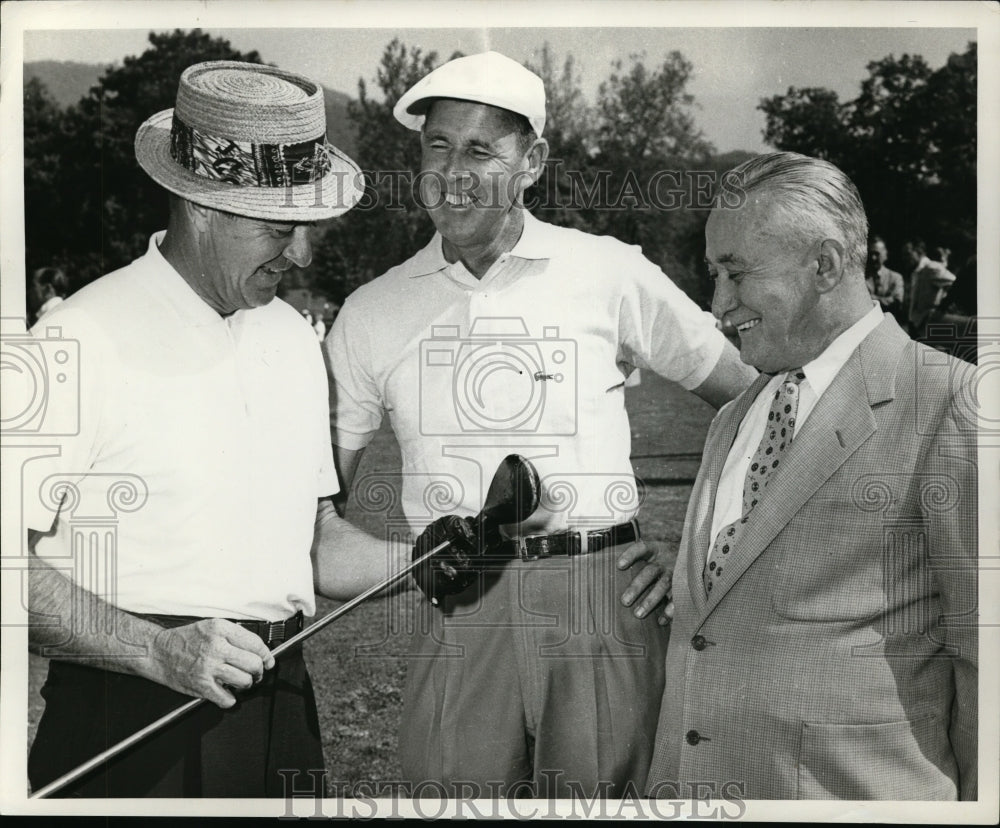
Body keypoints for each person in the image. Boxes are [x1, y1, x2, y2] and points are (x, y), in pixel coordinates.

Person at [324, 51, 756, 798]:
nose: (451, 171)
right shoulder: (370, 312)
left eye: (480, 150)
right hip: (457, 601)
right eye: (436, 145)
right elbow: (320, 505)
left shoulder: (608, 270)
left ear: (533, 161)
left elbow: (754, 401)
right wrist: (408, 557)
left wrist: (703, 552)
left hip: (603, 596)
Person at [24, 61, 400, 798]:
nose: (302, 257)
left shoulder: (292, 337)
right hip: (127, 723)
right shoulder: (75, 340)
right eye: (277, 228)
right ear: (200, 208)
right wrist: (155, 651)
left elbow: (315, 544)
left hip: (282, 709)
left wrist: (437, 553)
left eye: (309, 229)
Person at [645, 152, 977, 800]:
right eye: (713, 276)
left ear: (824, 265)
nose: (717, 305)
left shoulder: (951, 405)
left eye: (735, 274)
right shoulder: (734, 418)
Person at [902, 238, 956, 337]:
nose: (905, 258)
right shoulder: (917, 271)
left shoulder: (932, 268)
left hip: (927, 323)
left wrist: (944, 304)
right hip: (915, 324)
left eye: (908, 254)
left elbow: (955, 283)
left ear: (918, 251)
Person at [863, 236, 905, 321]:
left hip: (889, 324)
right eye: (870, 254)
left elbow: (896, 303)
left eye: (877, 254)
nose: (873, 258)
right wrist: (886, 300)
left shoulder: (896, 278)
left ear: (885, 255)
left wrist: (870, 298)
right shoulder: (861, 278)